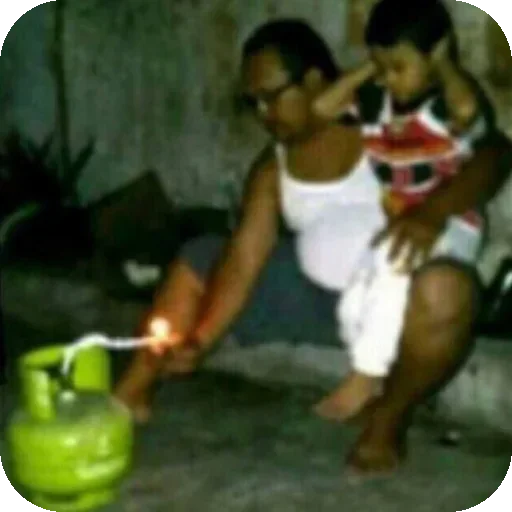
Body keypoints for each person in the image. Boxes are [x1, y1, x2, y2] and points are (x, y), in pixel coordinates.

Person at [115, 18, 512, 476]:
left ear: (315, 81)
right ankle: (129, 395)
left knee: (447, 290)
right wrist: (201, 341)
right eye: (253, 102)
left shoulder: (379, 118)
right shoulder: (272, 166)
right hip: (321, 303)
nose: (264, 113)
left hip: (397, 301)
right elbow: (245, 258)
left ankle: (387, 419)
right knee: (200, 254)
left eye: (272, 96)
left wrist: (433, 212)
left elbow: (496, 153)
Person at [311, 0, 499, 422]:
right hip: (397, 221)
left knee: (394, 265)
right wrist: (374, 65)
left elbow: (468, 111)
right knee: (355, 298)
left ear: (435, 56)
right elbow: (322, 109)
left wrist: (442, 63)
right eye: (383, 68)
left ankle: (366, 375)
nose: (390, 79)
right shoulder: (374, 105)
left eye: (400, 67)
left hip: (451, 222)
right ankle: (377, 373)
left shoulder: (443, 107)